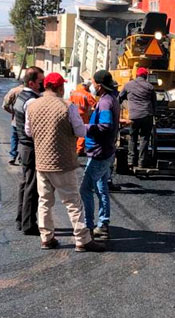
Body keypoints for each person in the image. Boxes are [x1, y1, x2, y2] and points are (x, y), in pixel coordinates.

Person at [25, 73, 105, 252]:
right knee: (73, 202)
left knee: (45, 201)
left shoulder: (32, 105)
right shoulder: (67, 106)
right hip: (63, 162)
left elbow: (28, 132)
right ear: (59, 88)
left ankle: (47, 238)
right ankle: (82, 240)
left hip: (42, 162)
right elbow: (80, 131)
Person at [80, 70, 121, 239]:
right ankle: (103, 224)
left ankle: (89, 226)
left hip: (100, 152)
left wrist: (85, 128)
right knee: (101, 188)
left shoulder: (105, 103)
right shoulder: (111, 99)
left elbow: (105, 125)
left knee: (85, 189)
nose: (92, 86)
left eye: (93, 83)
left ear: (99, 85)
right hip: (106, 150)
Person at [13, 66, 45, 235]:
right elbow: (32, 129)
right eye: (41, 82)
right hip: (31, 147)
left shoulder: (22, 96)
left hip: (24, 147)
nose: (44, 84)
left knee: (25, 185)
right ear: (32, 83)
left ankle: (21, 219)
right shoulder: (32, 101)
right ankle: (28, 224)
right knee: (32, 187)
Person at [119, 67, 156, 168]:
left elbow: (119, 98)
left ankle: (131, 160)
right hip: (147, 115)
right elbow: (154, 103)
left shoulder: (128, 85)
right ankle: (142, 162)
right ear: (146, 76)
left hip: (134, 116)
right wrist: (154, 114)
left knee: (133, 137)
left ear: (136, 75)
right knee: (144, 138)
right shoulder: (150, 86)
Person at [70, 79, 98, 155]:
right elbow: (96, 105)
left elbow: (69, 103)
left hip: (73, 114)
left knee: (73, 131)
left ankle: (73, 148)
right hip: (83, 115)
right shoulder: (87, 94)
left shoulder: (74, 93)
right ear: (87, 86)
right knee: (82, 132)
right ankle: (79, 150)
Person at [3, 82, 26, 165]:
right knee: (25, 140)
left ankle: (12, 156)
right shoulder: (34, 93)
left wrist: (13, 112)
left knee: (15, 138)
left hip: (16, 121)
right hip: (28, 122)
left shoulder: (14, 91)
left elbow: (5, 106)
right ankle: (23, 157)